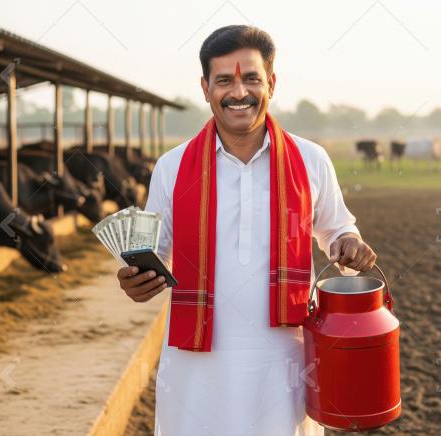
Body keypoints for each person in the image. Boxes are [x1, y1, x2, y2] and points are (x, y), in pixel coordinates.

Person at [116, 25, 376, 435]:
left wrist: (350, 244)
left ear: (271, 82)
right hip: (196, 365)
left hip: (286, 362)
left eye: (251, 78)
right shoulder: (171, 166)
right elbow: (157, 253)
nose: (239, 92)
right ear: (205, 88)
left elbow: (337, 230)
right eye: (224, 81)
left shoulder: (311, 159)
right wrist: (137, 280)